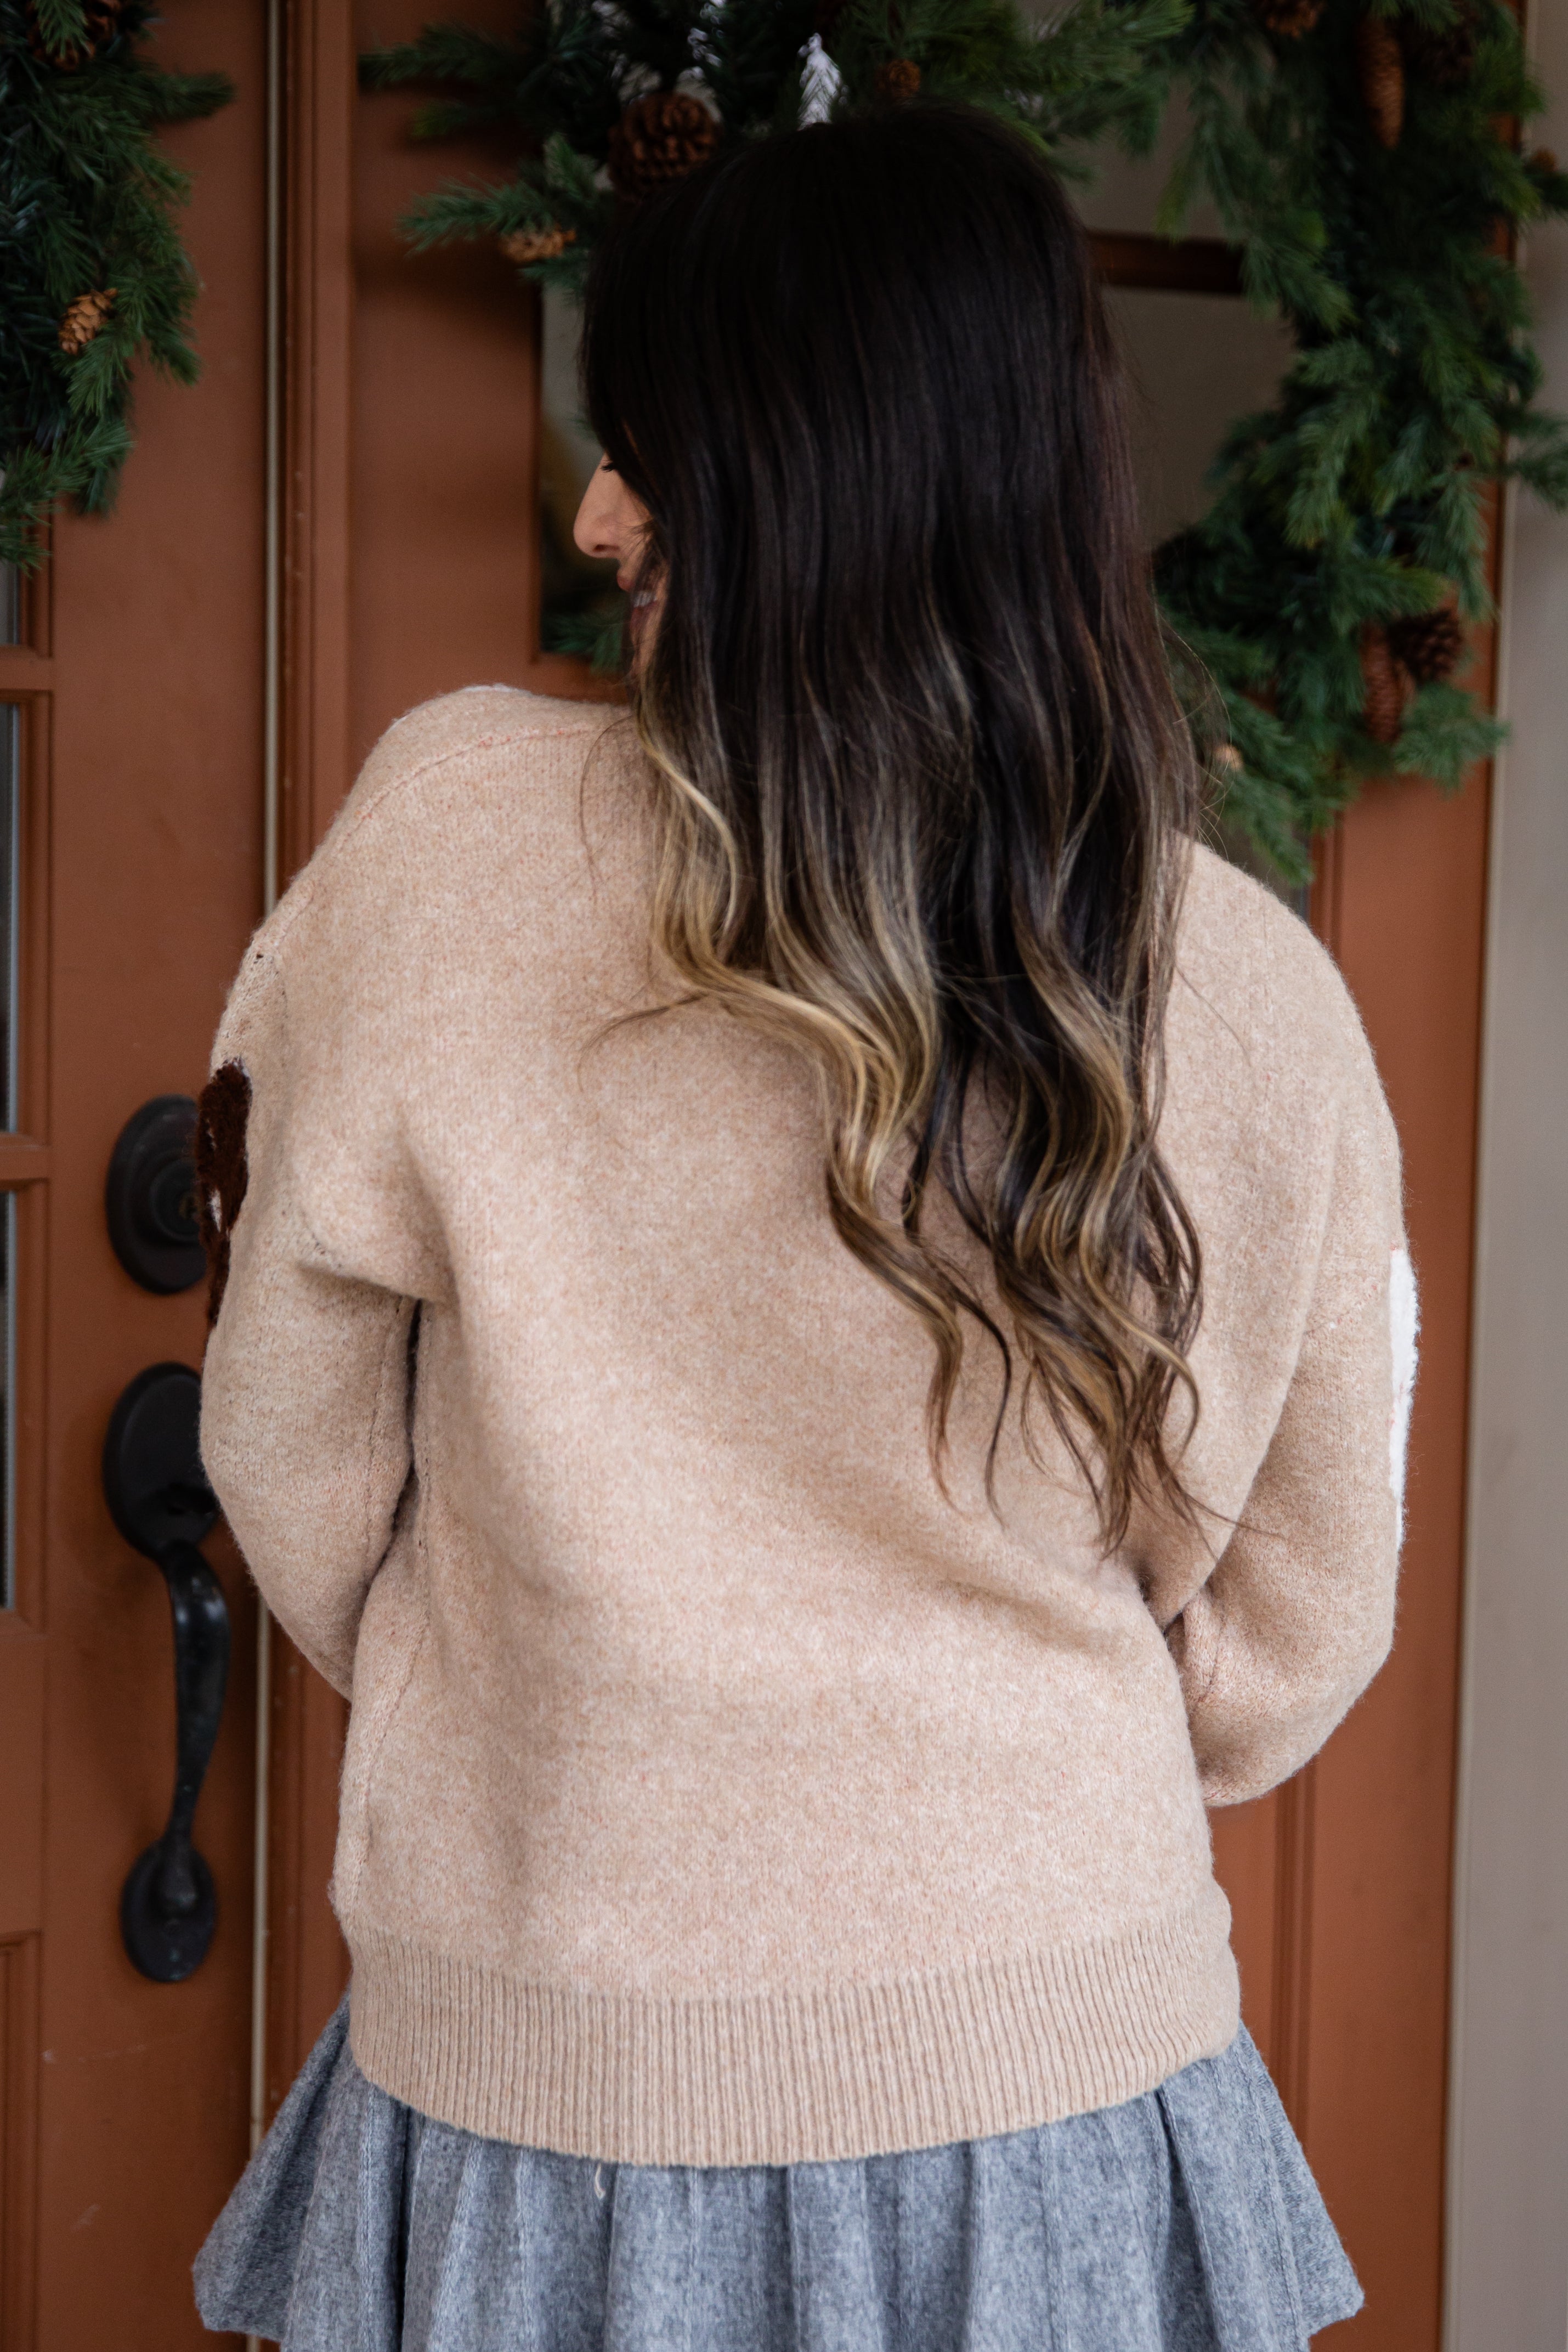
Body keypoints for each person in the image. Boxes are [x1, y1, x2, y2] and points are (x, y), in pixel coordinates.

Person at [193, 103, 1412, 2351]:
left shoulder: (446, 850)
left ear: (797, 477)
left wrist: (552, 1694)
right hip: (1055, 2085)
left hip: (537, 2071)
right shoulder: (1239, 985)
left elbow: (286, 1449)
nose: (591, 511)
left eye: (645, 448)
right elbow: (1290, 1636)